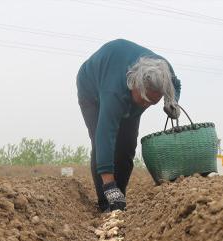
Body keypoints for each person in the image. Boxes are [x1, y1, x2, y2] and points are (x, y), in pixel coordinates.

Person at [77, 39, 182, 211]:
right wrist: (109, 186)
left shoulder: (165, 72)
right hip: (92, 91)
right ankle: (106, 202)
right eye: (144, 100)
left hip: (123, 92)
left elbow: (176, 85)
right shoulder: (114, 92)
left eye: (152, 102)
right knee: (100, 141)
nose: (146, 105)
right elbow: (105, 137)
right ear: (134, 84)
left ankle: (120, 199)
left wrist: (172, 101)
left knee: (127, 145)